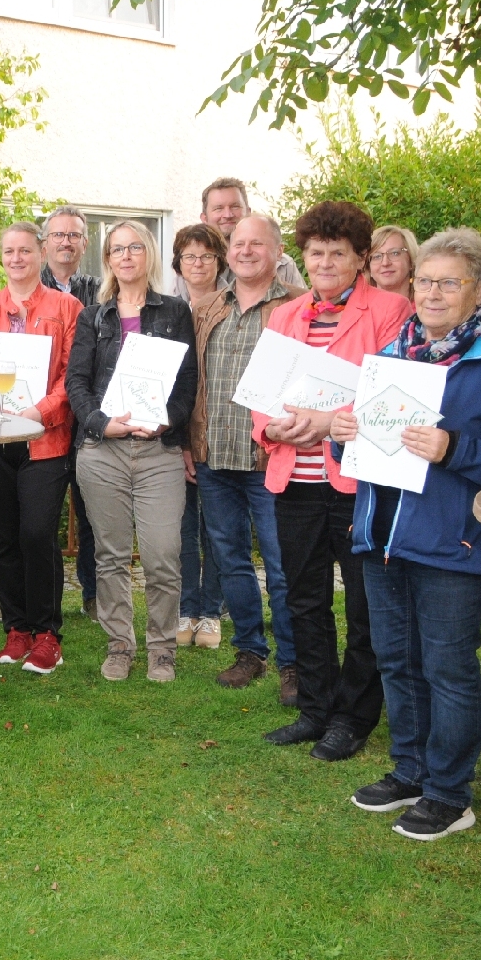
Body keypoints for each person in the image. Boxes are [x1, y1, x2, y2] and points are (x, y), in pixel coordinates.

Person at [337, 228, 481, 840]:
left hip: (453, 540)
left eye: (448, 282)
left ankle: (449, 793)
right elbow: (357, 440)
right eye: (424, 280)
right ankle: (409, 770)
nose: (431, 293)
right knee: (396, 660)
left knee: (447, 667)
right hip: (380, 533)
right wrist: (344, 433)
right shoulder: (390, 356)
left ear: (480, 288)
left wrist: (455, 448)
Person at [256, 203, 412, 761]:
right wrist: (271, 425)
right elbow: (262, 400)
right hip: (292, 479)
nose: (324, 262)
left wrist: (324, 424)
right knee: (303, 598)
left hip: (359, 482)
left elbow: (393, 395)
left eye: (337, 252)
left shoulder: (393, 311)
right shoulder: (284, 316)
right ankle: (316, 708)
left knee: (365, 607)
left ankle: (354, 715)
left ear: (360, 257)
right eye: (316, 252)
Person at [65, 221, 198, 681]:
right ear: (107, 260)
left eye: (134, 247)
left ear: (149, 255)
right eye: (116, 249)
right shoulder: (93, 316)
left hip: (159, 450)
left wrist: (170, 419)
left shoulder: (176, 312)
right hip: (104, 451)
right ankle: (120, 644)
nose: (125, 256)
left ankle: (162, 649)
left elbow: (186, 384)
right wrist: (103, 422)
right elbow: (76, 385)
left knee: (163, 553)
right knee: (111, 555)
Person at [0, 221, 83, 675]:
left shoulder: (68, 308)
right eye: (10, 251)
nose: (17, 258)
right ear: (1, 256)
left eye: (26, 250)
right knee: (2, 538)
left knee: (36, 533)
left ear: (41, 254)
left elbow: (73, 375)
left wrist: (40, 411)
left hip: (44, 438)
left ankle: (47, 635)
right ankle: (16, 628)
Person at [189, 216, 300, 700]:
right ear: (227, 251)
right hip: (216, 456)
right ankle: (250, 651)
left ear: (278, 252)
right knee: (231, 560)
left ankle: (294, 662)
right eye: (239, 243)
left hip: (270, 456)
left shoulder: (297, 306)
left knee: (281, 564)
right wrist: (188, 444)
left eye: (258, 244)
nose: (247, 251)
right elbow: (194, 380)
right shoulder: (210, 305)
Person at [40, 205, 101, 615]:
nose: (66, 241)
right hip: (38, 418)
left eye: (74, 235)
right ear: (44, 243)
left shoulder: (101, 290)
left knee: (92, 510)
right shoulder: (23, 283)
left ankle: (94, 593)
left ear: (84, 242)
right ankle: (23, 591)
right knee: (34, 514)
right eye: (58, 235)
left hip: (87, 418)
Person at [169, 223, 226, 652]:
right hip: (178, 435)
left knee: (218, 530)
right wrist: (181, 440)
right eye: (190, 257)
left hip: (221, 434)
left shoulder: (230, 308)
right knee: (183, 529)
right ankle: (186, 608)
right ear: (178, 263)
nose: (198, 264)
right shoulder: (170, 312)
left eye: (206, 256)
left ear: (219, 261)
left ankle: (211, 612)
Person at [199, 176, 307, 294]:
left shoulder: (283, 265)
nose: (228, 214)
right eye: (218, 208)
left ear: (248, 212)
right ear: (204, 218)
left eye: (235, 206)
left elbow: (306, 307)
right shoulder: (191, 266)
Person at [368, 225, 419, 299]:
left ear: (411, 260)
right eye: (377, 256)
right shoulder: (352, 308)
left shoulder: (426, 307)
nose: (385, 263)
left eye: (395, 253)